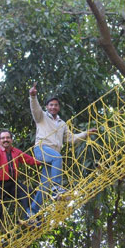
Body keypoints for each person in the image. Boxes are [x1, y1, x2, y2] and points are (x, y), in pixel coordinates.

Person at [25, 83, 96, 224]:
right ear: (46, 107)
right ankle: (57, 190)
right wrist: (33, 96)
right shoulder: (41, 117)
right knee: (58, 157)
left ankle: (32, 213)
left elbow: (71, 139)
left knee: (44, 185)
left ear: (59, 108)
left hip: (52, 156)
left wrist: (86, 133)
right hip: (42, 149)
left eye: (56, 105)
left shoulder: (62, 124)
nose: (53, 107)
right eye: (51, 105)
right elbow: (35, 109)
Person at [0, 130, 40, 244]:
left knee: (27, 193)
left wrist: (44, 161)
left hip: (11, 182)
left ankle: (30, 217)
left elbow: (29, 159)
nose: (6, 140)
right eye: (3, 138)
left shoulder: (15, 152)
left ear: (11, 140)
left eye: (8, 138)